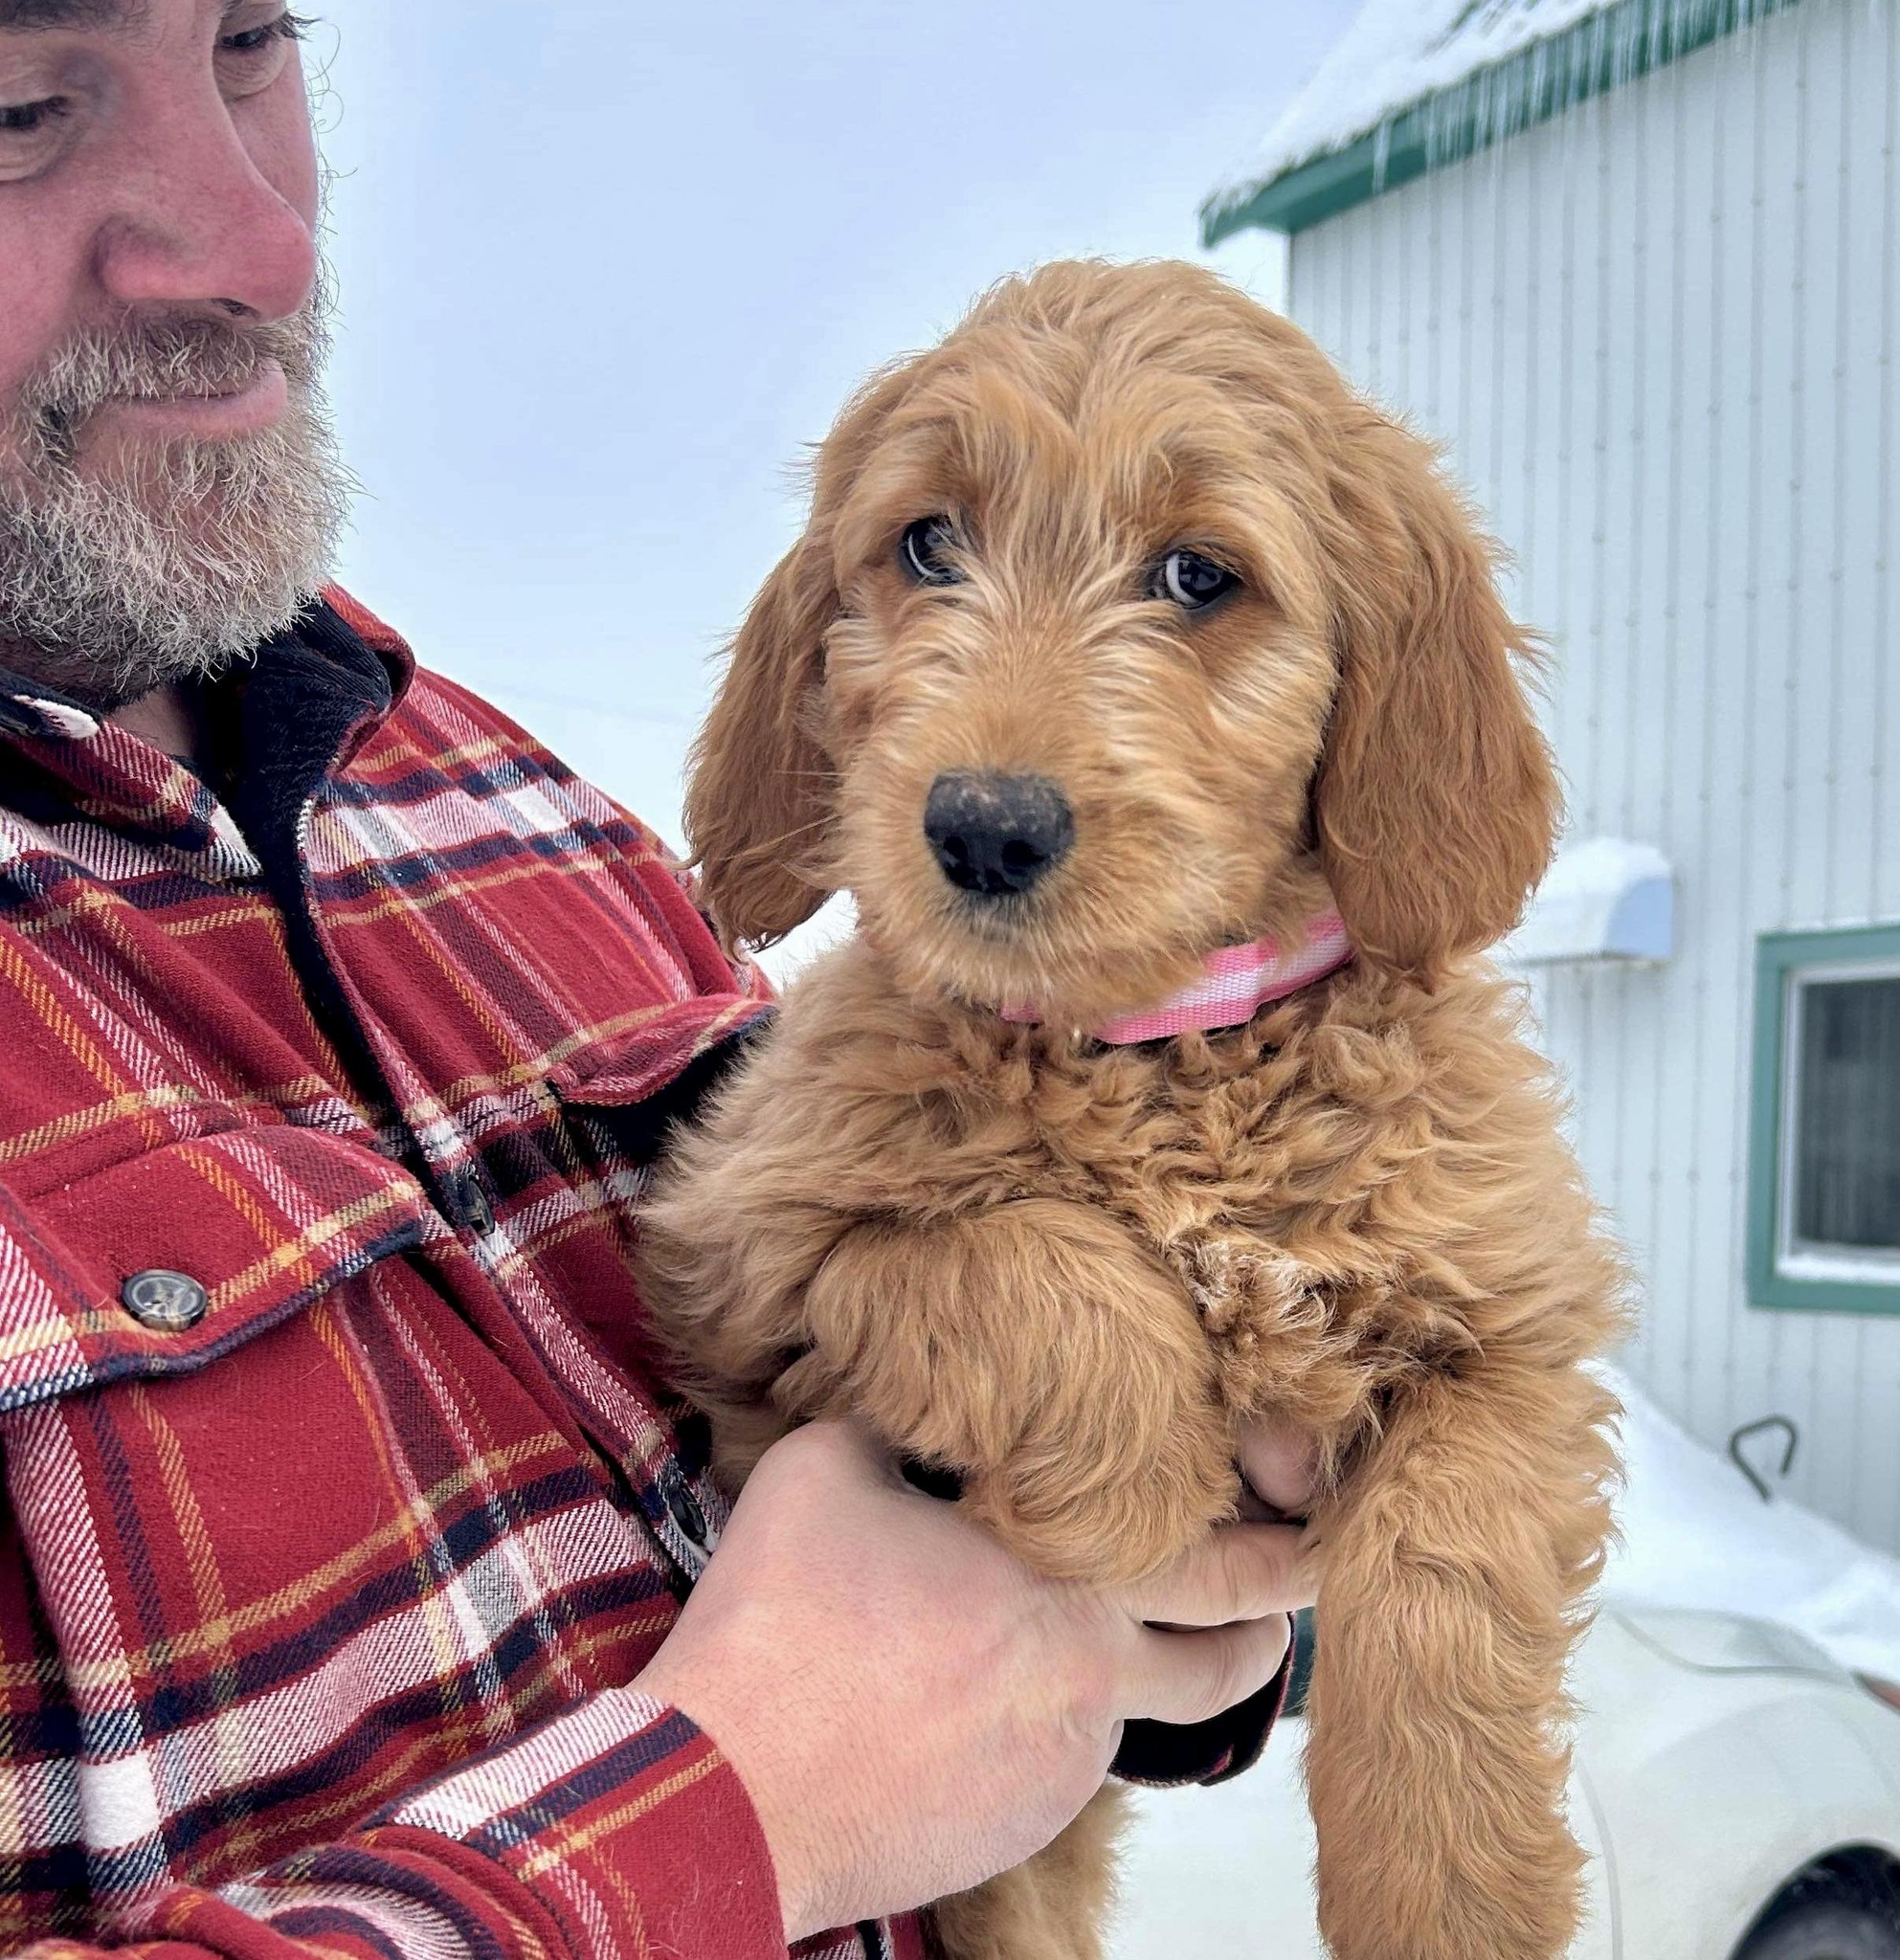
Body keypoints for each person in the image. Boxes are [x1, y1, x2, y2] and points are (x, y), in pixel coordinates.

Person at [0, 5, 1320, 1957]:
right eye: (23, 106)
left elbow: (923, 1535)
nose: (262, 246)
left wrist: (1161, 1583)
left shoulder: (501, 800)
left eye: (252, 39)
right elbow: (812, 1741)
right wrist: (738, 1811)